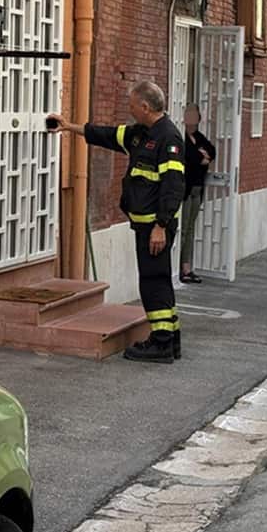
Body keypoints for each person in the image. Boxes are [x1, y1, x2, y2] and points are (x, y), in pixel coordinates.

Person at [48, 81, 185, 365]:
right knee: (156, 281)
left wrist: (161, 226)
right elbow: (107, 135)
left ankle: (160, 344)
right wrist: (69, 126)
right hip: (145, 226)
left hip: (155, 229)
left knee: (153, 283)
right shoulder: (139, 134)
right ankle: (170, 340)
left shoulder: (167, 138)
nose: (129, 109)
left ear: (145, 107)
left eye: (132, 105)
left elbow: (173, 187)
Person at [180, 104, 216, 284]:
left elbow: (212, 151)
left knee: (191, 228)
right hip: (185, 190)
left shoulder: (199, 137)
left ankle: (187, 267)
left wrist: (204, 157)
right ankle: (179, 267)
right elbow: (188, 158)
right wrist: (201, 157)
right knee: (183, 228)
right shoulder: (182, 137)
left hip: (197, 189)